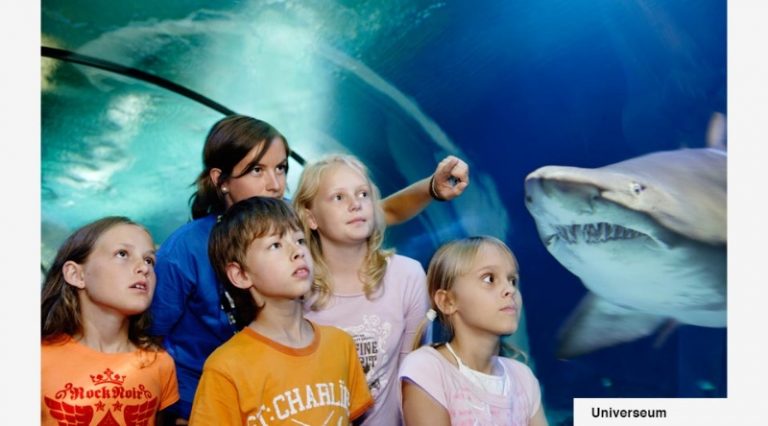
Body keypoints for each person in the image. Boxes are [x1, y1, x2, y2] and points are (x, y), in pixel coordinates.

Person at [149, 114, 468, 422]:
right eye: (257, 170)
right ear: (221, 180)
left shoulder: (291, 218)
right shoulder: (185, 249)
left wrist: (432, 189)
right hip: (201, 399)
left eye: (281, 168)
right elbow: (148, 334)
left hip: (284, 396)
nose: (274, 184)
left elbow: (376, 213)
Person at [189, 196, 373, 425]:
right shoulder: (225, 368)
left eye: (300, 240)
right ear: (241, 275)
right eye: (275, 245)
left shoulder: (340, 344)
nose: (297, 252)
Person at [292, 154, 428, 425]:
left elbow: (413, 379)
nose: (355, 204)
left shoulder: (407, 276)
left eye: (363, 194)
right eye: (338, 197)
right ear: (310, 217)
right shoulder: (295, 290)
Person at [41, 217, 179, 426]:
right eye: (122, 254)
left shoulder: (160, 363)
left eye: (149, 260)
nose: (144, 268)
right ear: (76, 274)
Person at [398, 236, 548, 426]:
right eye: (489, 279)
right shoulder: (427, 369)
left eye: (512, 281)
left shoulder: (523, 378)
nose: (509, 290)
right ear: (447, 301)